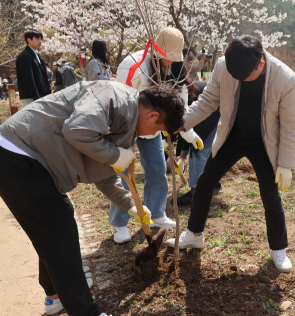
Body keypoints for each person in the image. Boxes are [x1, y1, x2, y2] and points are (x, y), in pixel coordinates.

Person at [0, 80, 184, 316]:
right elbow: (76, 130)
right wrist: (116, 154)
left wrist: (131, 206)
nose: (154, 135)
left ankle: (55, 297)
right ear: (152, 115)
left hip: (31, 160)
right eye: (159, 130)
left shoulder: (126, 120)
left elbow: (103, 173)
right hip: (18, 153)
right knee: (59, 232)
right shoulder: (111, 97)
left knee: (52, 230)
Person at [166, 35, 295, 274]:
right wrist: (181, 122)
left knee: (270, 194)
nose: (238, 79)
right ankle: (195, 234)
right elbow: (207, 102)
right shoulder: (224, 66)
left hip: (263, 142)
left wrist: (286, 163)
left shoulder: (285, 78)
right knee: (205, 182)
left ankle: (278, 249)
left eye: (244, 77)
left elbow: (291, 125)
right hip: (230, 136)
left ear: (260, 65)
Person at [110, 27, 203, 243]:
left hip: (153, 127)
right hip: (126, 125)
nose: (169, 62)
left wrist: (188, 134)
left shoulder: (177, 70)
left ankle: (157, 212)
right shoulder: (134, 65)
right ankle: (119, 223)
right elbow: (121, 101)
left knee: (158, 169)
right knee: (123, 175)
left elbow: (179, 107)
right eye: (166, 58)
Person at [176, 80, 222, 207]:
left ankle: (196, 193)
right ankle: (215, 185)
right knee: (206, 150)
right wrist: (182, 158)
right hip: (214, 110)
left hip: (212, 111)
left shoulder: (180, 99)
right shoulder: (180, 93)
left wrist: (182, 156)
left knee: (198, 151)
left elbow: (186, 129)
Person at [15, 29, 51, 105]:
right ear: (29, 40)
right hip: (31, 96)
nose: (40, 41)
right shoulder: (25, 56)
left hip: (42, 94)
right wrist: (36, 97)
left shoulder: (39, 56)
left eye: (41, 39)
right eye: (37, 39)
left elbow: (43, 76)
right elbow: (28, 79)